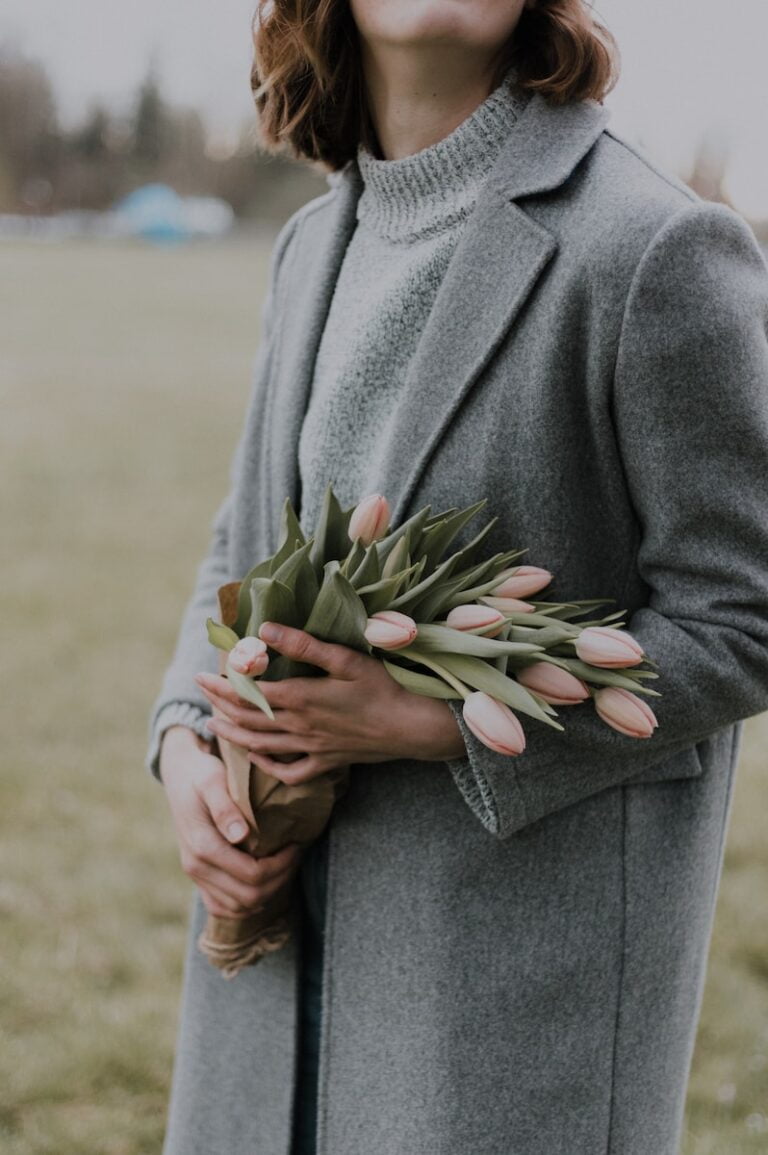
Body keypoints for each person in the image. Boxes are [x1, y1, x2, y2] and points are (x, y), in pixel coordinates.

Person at [147, 1, 768, 1153]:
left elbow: (746, 615)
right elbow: (244, 547)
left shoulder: (655, 247)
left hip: (507, 1016)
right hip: (271, 995)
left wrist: (440, 724)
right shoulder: (310, 245)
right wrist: (186, 744)